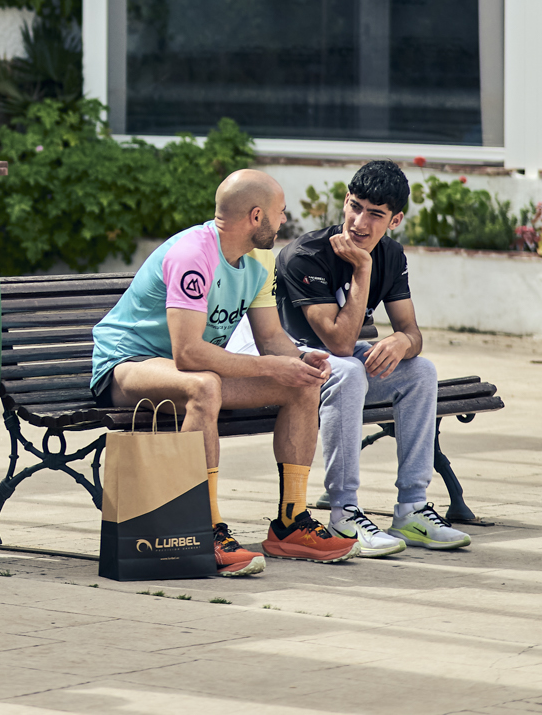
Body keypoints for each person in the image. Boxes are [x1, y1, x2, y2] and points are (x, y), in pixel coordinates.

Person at [91, 168, 358, 576]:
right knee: (204, 386)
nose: (284, 220)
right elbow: (187, 353)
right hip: (127, 365)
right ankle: (204, 529)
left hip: (190, 371)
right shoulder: (192, 255)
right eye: (280, 212)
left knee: (300, 387)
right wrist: (269, 366)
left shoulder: (260, 258)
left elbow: (271, 337)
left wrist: (298, 362)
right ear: (256, 216)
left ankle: (291, 524)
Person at [275, 160, 471, 555]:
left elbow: (412, 332)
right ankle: (344, 513)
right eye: (355, 206)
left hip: (338, 363)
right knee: (348, 370)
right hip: (290, 364)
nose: (359, 222)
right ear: (345, 201)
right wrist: (362, 269)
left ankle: (412, 509)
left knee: (420, 371)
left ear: (395, 220)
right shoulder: (305, 255)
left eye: (375, 214)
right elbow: (338, 344)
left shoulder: (392, 256)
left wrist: (401, 343)